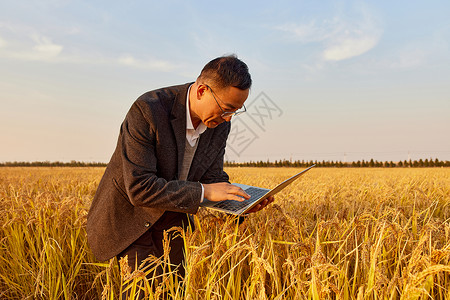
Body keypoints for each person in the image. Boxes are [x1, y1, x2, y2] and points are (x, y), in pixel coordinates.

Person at [86, 55, 274, 294]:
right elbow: (140, 188)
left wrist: (240, 203)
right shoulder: (147, 110)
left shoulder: (219, 124)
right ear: (201, 91)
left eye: (236, 111)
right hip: (134, 219)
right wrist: (205, 192)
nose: (228, 118)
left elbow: (212, 176)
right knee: (144, 292)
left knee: (175, 290)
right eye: (226, 109)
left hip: (175, 219)